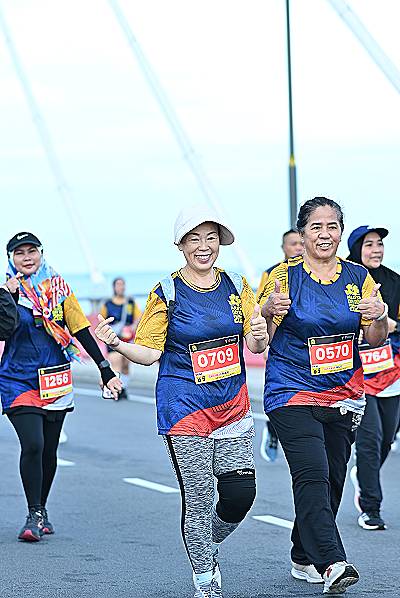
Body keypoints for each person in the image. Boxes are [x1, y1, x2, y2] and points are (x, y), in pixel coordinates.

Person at [95, 204, 268, 598]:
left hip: (233, 405)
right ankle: (206, 579)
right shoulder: (167, 292)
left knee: (241, 495)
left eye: (211, 238)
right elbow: (149, 353)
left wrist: (259, 334)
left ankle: (204, 541)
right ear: (180, 245)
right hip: (185, 409)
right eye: (194, 239)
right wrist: (116, 344)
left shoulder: (237, 284)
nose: (203, 246)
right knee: (200, 498)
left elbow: (256, 344)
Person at [259, 197, 388, 595]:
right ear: (302, 234)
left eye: (332, 226)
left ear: (340, 232)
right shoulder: (282, 277)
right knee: (312, 472)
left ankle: (302, 555)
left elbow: (374, 338)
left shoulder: (358, 277)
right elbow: (261, 340)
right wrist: (266, 312)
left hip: (344, 395)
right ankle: (332, 562)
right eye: (316, 227)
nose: (325, 234)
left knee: (331, 480)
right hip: (291, 390)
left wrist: (380, 315)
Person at [0, 232, 122, 542]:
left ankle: (41, 509)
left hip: (55, 377)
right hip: (17, 379)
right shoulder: (5, 291)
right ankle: (33, 513)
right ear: (11, 259)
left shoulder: (59, 289)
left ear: (41, 254)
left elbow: (80, 329)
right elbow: (3, 330)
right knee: (33, 444)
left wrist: (105, 368)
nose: (27, 258)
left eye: (31, 251)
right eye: (19, 253)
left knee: (49, 450)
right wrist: (8, 297)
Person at [347, 226, 400, 530]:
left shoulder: (394, 281)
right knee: (369, 441)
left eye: (379, 244)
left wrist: (392, 325)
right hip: (356, 376)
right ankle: (371, 508)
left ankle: (363, 475)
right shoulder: (343, 279)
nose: (376, 249)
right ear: (356, 248)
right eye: (369, 244)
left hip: (390, 373)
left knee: (387, 440)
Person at [257, 229, 303, 462]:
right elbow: (259, 308)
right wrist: (265, 344)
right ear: (284, 248)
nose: (298, 247)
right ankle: (273, 431)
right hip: (280, 347)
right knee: (282, 397)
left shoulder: (316, 272)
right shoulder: (272, 273)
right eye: (293, 244)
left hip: (307, 349)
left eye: (301, 243)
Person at [100, 278, 142, 398]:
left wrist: (132, 327)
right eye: (118, 285)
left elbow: (138, 317)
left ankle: (123, 388)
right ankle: (114, 389)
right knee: (116, 362)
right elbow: (101, 320)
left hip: (127, 339)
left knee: (126, 365)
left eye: (122, 284)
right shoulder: (107, 304)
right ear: (114, 287)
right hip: (113, 338)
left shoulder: (130, 303)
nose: (121, 287)